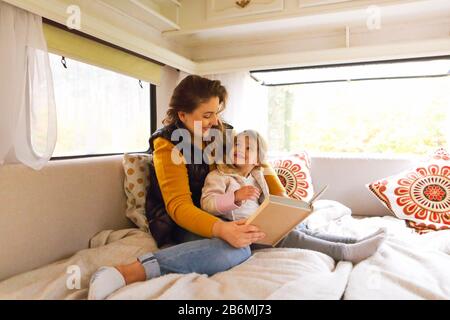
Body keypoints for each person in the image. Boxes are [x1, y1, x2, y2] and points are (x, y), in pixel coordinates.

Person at [88, 75, 286, 300]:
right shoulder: (167, 145)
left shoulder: (221, 131)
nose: (215, 121)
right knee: (238, 249)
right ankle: (127, 272)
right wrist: (223, 230)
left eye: (217, 113)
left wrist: (282, 203)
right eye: (207, 115)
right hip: (179, 221)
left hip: (219, 211)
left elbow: (257, 158)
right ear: (183, 115)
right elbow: (179, 207)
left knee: (281, 230)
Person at [201, 130, 386, 261]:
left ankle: (355, 242)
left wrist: (288, 212)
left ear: (258, 159)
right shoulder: (219, 176)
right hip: (244, 233)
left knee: (301, 230)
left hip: (263, 225)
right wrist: (235, 197)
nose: (240, 149)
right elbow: (207, 203)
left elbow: (268, 203)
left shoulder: (257, 176)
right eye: (237, 144)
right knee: (294, 238)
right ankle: (345, 252)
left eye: (248, 148)